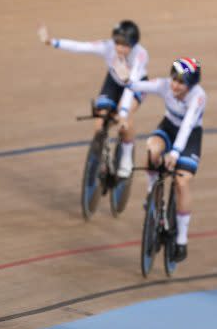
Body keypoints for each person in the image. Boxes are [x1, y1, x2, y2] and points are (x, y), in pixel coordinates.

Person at [38, 21, 149, 178]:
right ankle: (103, 160)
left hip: (135, 85)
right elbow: (81, 47)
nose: (120, 48)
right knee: (99, 124)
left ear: (134, 45)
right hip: (114, 81)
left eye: (125, 45)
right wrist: (53, 42)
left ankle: (126, 157)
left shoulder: (140, 55)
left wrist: (123, 113)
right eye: (117, 43)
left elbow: (130, 88)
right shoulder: (107, 47)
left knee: (125, 119)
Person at [126, 57, 206, 262]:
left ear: (192, 85)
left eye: (181, 83)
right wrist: (126, 77)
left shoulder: (198, 97)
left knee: (181, 181)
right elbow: (135, 84)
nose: (175, 85)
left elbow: (188, 125)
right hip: (168, 127)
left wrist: (175, 154)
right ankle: (151, 192)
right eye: (174, 79)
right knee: (152, 151)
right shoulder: (164, 85)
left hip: (189, 137)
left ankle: (181, 239)